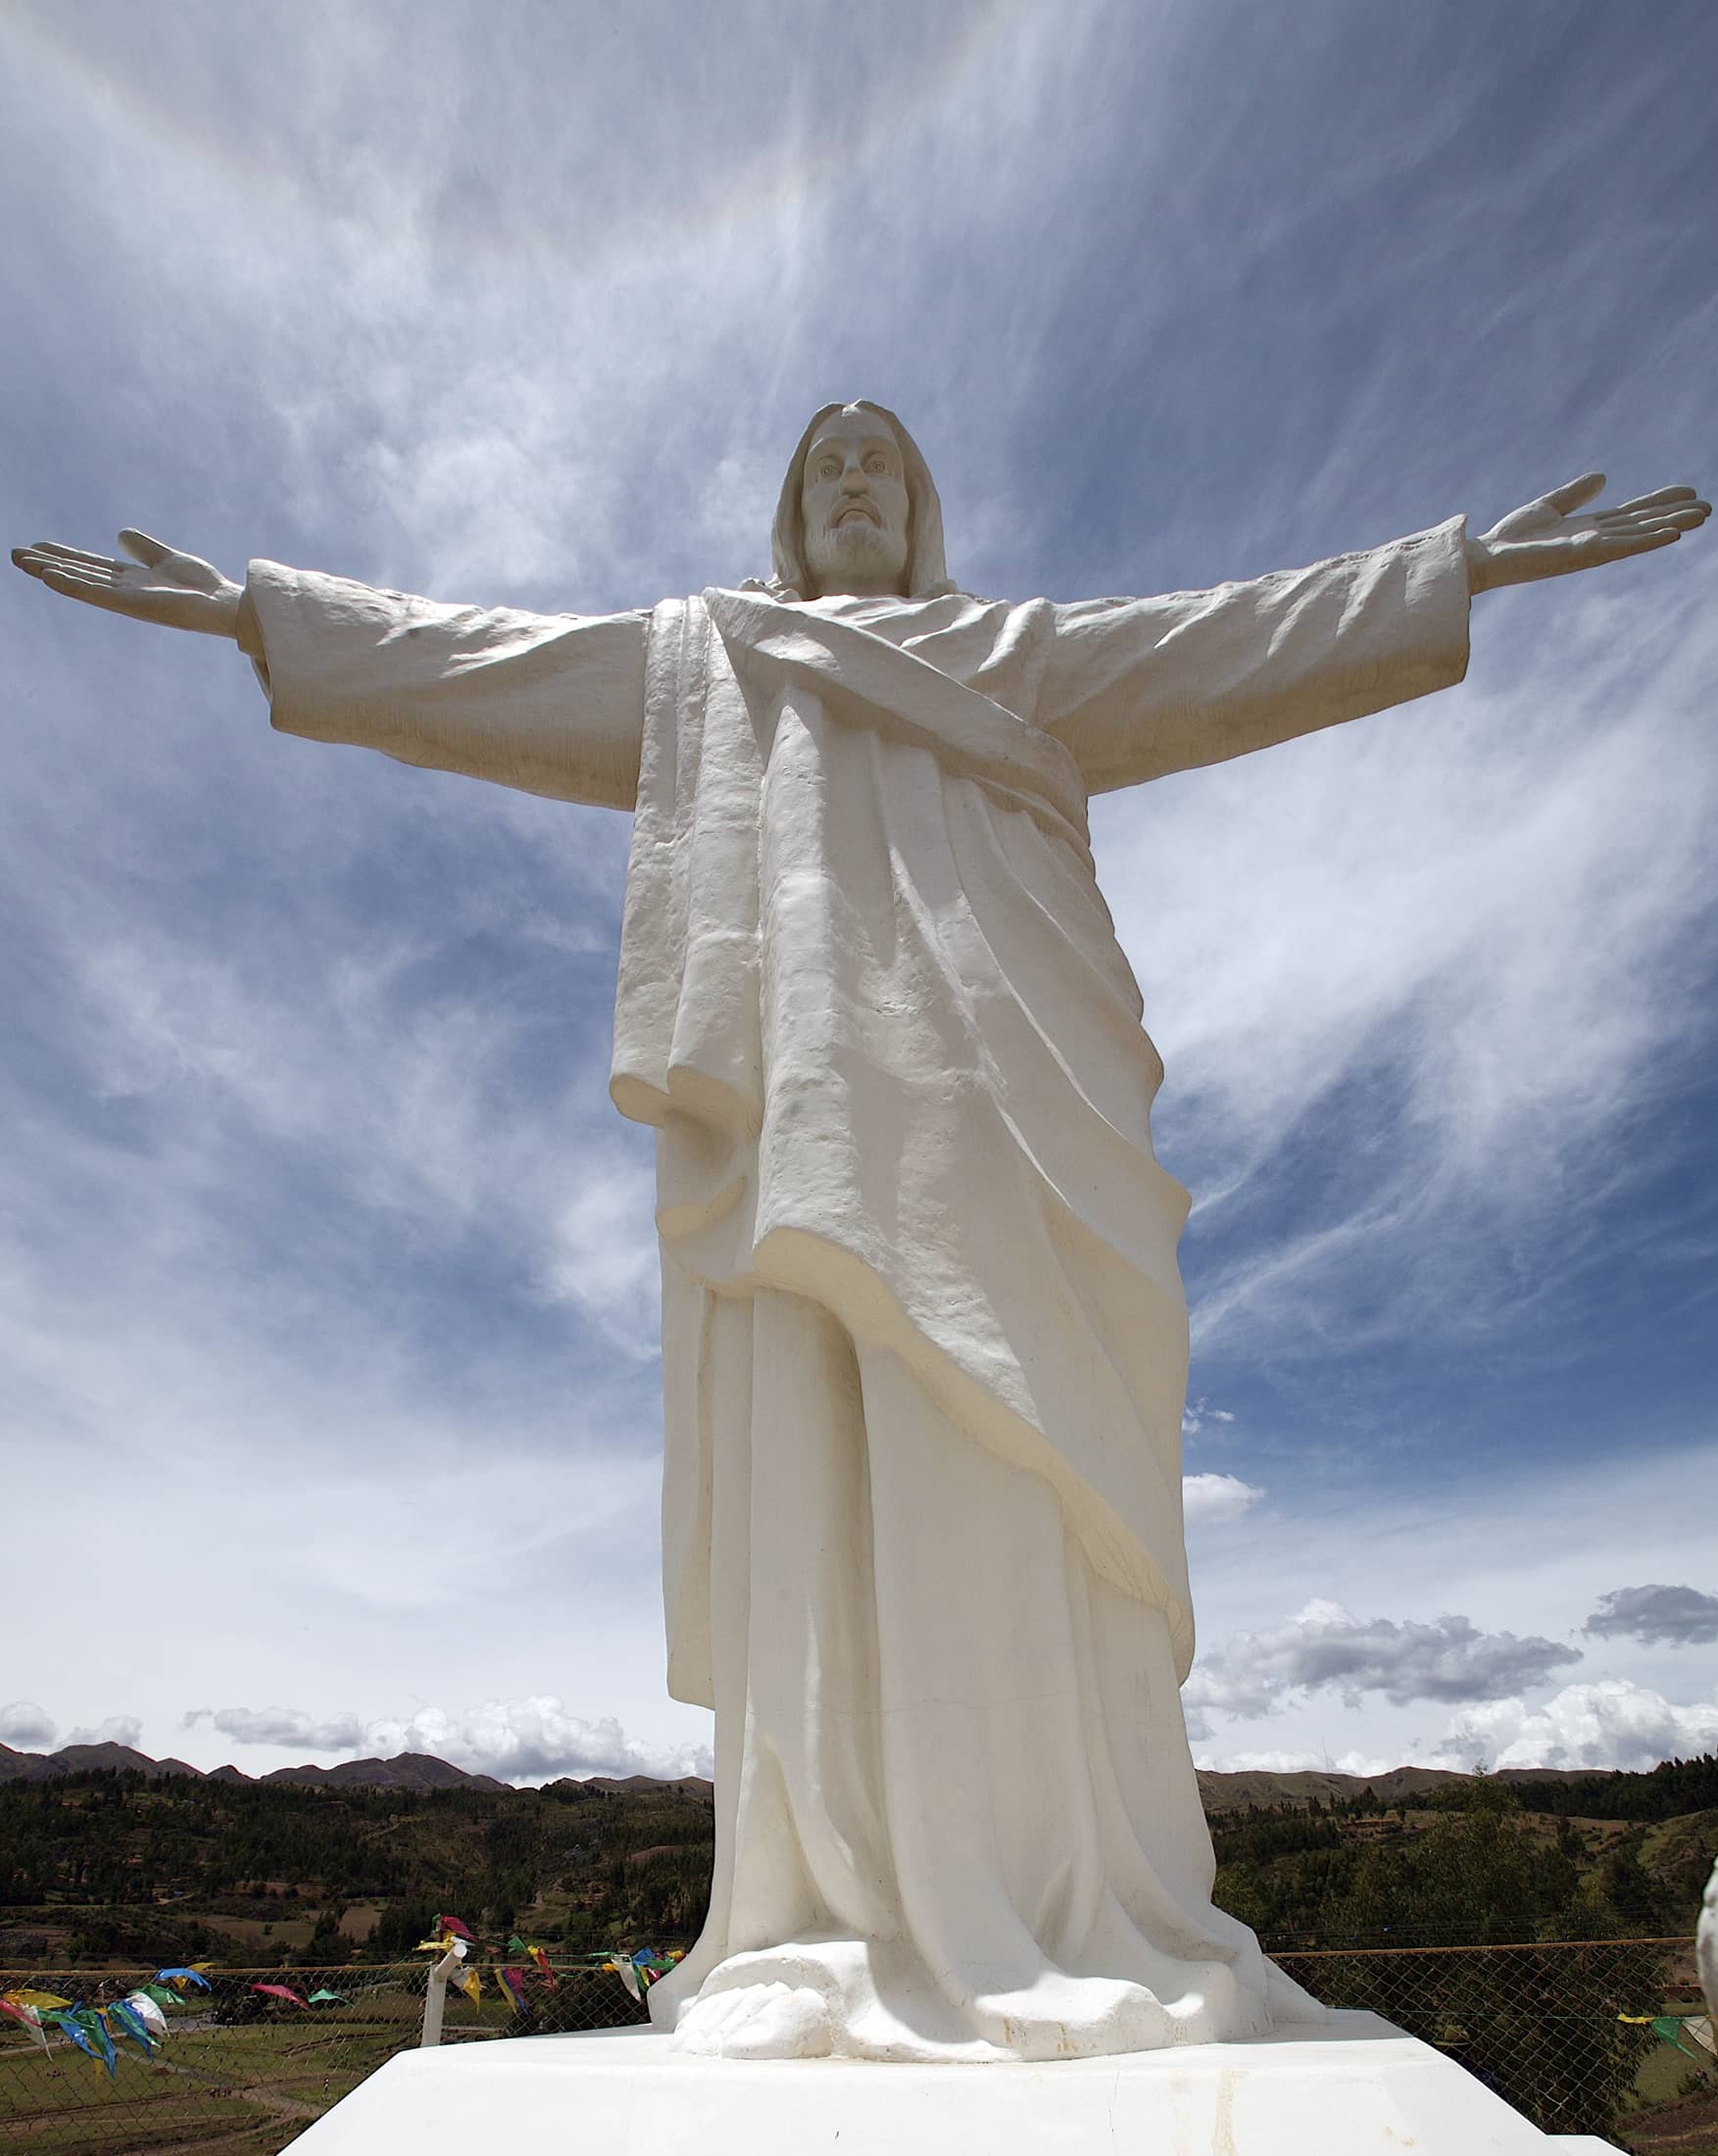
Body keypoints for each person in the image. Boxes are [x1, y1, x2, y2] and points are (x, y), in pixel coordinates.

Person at [14, 406, 1706, 2062]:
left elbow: (1221, 640)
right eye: (824, 465)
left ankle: (1053, 1886)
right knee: (824, 1452)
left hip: (1002, 1115)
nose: (851, 485)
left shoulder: (1014, 649)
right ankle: (836, 1910)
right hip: (806, 1121)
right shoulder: (711, 666)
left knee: (1018, 1456)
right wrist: (262, 611)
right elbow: (489, 665)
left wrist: (1454, 569)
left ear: (923, 509)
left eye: (880, 465)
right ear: (784, 512)